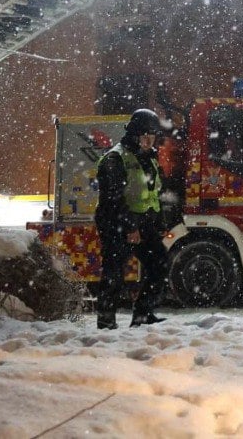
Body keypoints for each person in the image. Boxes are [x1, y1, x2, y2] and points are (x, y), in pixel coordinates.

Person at [94, 108, 169, 329]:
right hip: (116, 224)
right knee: (114, 273)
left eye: (152, 136)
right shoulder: (115, 158)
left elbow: (153, 194)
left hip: (143, 223)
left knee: (159, 265)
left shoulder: (149, 158)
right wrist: (129, 227)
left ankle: (143, 314)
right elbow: (113, 199)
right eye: (145, 136)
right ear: (134, 135)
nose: (149, 140)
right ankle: (106, 322)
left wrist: (159, 223)